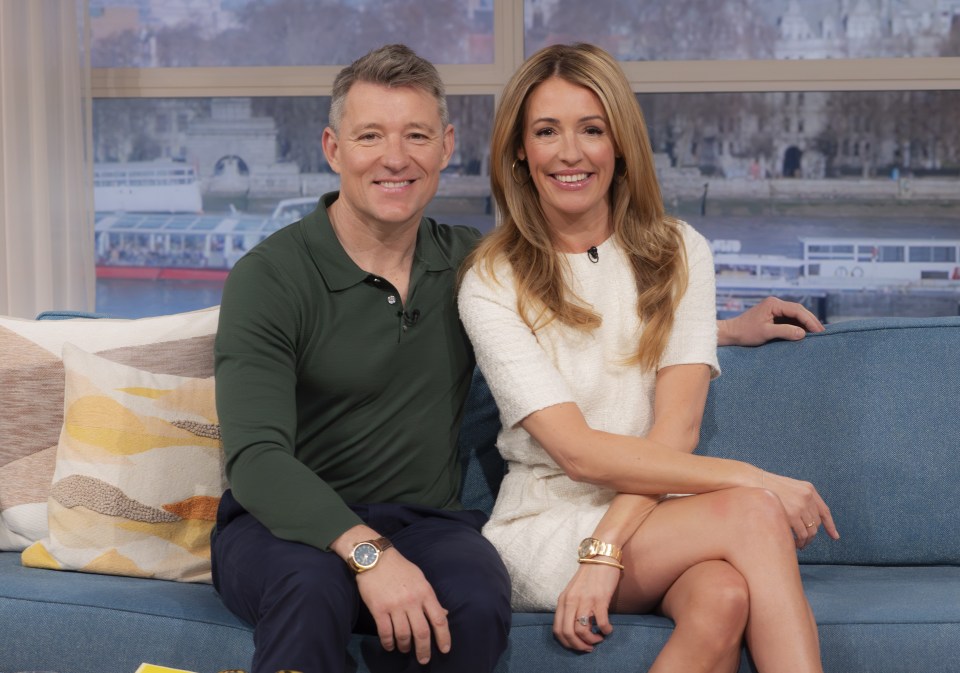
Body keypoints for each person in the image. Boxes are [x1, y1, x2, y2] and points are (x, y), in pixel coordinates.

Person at [457, 43, 839, 673]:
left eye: (591, 129)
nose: (570, 152)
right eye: (547, 131)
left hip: (650, 514)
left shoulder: (679, 250)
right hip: (546, 521)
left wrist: (607, 545)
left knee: (722, 596)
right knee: (752, 512)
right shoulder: (491, 281)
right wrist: (755, 478)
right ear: (519, 149)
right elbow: (579, 453)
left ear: (621, 143)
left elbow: (675, 432)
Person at [211, 44, 512, 673]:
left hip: (429, 522)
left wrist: (714, 331)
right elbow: (256, 459)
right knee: (311, 588)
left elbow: (582, 316)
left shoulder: (476, 263)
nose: (395, 158)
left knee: (478, 597)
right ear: (333, 149)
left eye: (417, 135)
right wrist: (368, 553)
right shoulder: (268, 277)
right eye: (370, 135)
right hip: (281, 529)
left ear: (447, 146)